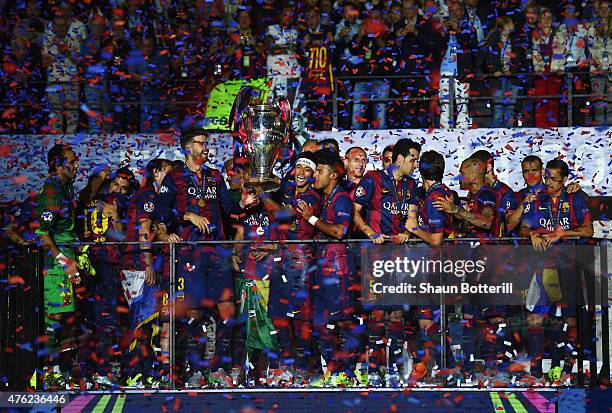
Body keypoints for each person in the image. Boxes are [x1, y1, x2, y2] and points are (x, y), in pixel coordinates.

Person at [155, 127, 257, 387]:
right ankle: (194, 371)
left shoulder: (213, 176)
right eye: (200, 142)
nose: (204, 147)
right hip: (191, 254)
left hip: (217, 253)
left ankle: (219, 368)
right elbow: (160, 212)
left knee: (227, 311)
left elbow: (228, 207)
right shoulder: (175, 178)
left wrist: (243, 204)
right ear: (188, 148)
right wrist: (187, 216)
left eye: (206, 143)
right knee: (194, 313)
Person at [352, 138, 421, 386]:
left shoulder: (412, 185)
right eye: (413, 159)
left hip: (400, 257)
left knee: (397, 315)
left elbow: (411, 217)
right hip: (375, 256)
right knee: (376, 312)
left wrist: (408, 232)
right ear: (399, 159)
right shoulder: (373, 179)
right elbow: (355, 212)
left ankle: (392, 368)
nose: (416, 164)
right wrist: (371, 233)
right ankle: (374, 367)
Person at [520, 159, 593, 386]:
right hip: (543, 268)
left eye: (553, 178)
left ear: (564, 179)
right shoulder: (538, 198)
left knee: (570, 319)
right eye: (546, 177)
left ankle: (566, 369)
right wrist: (531, 234)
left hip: (569, 266)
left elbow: (588, 229)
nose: (548, 181)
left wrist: (561, 234)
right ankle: (536, 369)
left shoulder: (575, 197)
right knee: (536, 318)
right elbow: (523, 226)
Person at [295, 149, 358, 386]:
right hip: (322, 268)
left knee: (341, 321)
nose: (315, 175)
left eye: (319, 171)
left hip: (338, 268)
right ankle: (332, 371)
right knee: (320, 322)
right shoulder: (326, 198)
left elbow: (340, 232)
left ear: (333, 175)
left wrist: (312, 219)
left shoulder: (341, 198)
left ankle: (349, 371)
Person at [432, 157, 497, 381]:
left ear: (472, 175)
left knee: (486, 318)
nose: (459, 177)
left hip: (487, 264)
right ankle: (470, 368)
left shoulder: (486, 194)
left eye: (461, 173)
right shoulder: (472, 197)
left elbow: (487, 222)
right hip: (474, 264)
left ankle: (491, 367)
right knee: (470, 316)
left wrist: (456, 210)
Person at [266, 152, 321, 385]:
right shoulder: (287, 190)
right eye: (298, 167)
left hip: (300, 259)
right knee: (278, 314)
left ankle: (302, 367)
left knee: (300, 316)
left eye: (306, 169)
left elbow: (282, 215)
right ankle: (284, 364)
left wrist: (261, 193)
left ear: (313, 175)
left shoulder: (313, 196)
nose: (300, 172)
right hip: (280, 257)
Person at [79, 167, 136, 387]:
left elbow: (123, 238)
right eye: (115, 185)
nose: (118, 190)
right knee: (91, 322)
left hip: (106, 267)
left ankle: (100, 372)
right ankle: (88, 373)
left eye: (124, 188)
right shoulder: (91, 200)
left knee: (105, 321)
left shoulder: (120, 206)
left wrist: (115, 218)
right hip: (89, 267)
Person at [405, 150, 458, 383]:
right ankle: (442, 367)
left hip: (436, 267)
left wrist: (413, 229)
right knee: (430, 321)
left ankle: (448, 368)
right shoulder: (440, 193)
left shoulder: (436, 197)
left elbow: (437, 239)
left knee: (428, 322)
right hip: (436, 266)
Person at [121, 158, 174, 389]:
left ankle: (146, 371)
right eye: (168, 174)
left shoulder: (157, 199)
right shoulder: (147, 196)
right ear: (156, 173)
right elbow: (144, 231)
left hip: (144, 265)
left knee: (150, 322)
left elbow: (156, 231)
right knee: (140, 321)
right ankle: (133, 373)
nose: (172, 180)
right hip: (138, 266)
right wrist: (148, 263)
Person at [34, 144, 81, 389]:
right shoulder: (52, 191)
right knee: (54, 316)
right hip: (56, 264)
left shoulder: (66, 187)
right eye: (71, 161)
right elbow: (42, 232)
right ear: (57, 163)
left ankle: (57, 370)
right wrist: (64, 263)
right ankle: (47, 372)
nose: (76, 165)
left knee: (65, 317)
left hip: (68, 259)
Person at [532, 8, 566, 128]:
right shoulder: (535, 35)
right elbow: (534, 53)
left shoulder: (559, 35)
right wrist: (537, 68)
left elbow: (562, 52)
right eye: (544, 17)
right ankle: (540, 128)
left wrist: (559, 67)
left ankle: (552, 127)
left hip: (554, 72)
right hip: (540, 72)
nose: (546, 20)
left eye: (549, 18)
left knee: (553, 101)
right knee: (540, 101)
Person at [265, 7, 301, 108]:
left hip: (292, 72)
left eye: (290, 16)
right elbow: (271, 48)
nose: (287, 18)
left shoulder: (295, 31)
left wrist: (281, 47)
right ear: (280, 16)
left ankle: (290, 123)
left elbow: (298, 49)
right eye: (285, 15)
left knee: (291, 104)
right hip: (276, 71)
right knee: (276, 104)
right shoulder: (271, 29)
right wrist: (288, 47)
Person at [588, 0, 612, 126]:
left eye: (607, 8)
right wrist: (598, 63)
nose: (604, 10)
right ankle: (599, 129)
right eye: (601, 8)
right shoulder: (592, 27)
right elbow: (591, 48)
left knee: (611, 101)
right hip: (596, 69)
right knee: (598, 100)